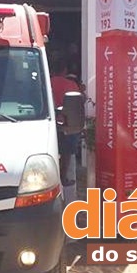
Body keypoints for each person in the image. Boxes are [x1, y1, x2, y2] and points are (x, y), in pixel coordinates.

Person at [50, 58, 81, 186]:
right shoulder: (71, 84)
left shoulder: (46, 81)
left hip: (49, 123)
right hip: (67, 124)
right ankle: (63, 178)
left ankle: (51, 180)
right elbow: (78, 102)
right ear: (65, 70)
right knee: (66, 153)